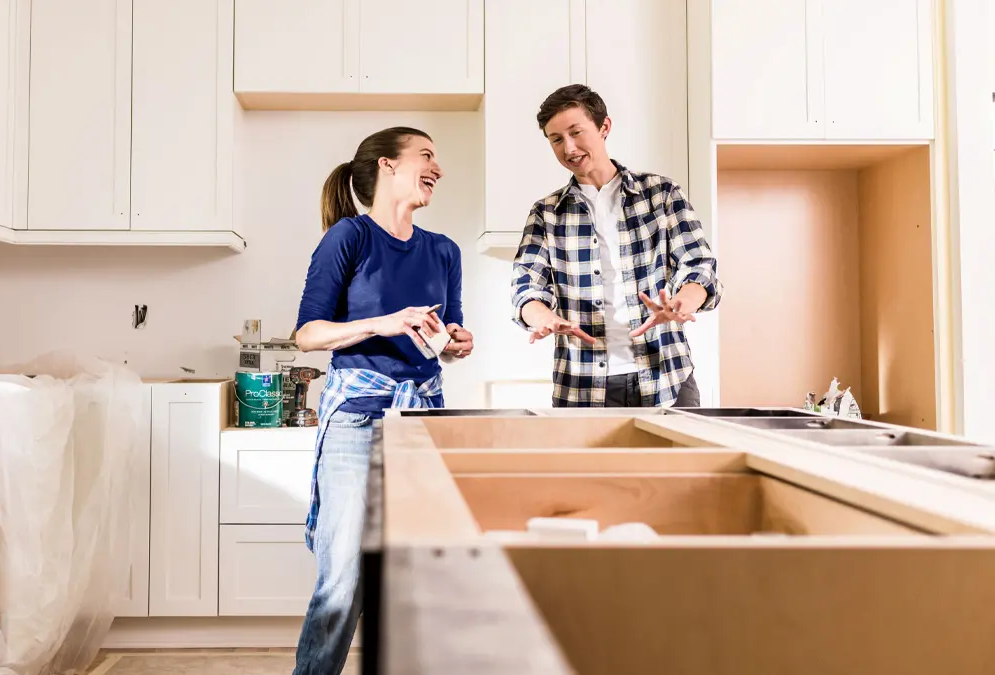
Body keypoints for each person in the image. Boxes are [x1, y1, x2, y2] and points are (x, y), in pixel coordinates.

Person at [291, 126, 474, 674]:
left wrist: (459, 342)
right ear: (388, 167)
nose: (437, 167)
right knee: (344, 575)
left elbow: (451, 332)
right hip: (358, 420)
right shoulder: (349, 237)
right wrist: (384, 323)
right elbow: (308, 334)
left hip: (422, 422)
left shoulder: (444, 251)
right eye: (426, 155)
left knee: (413, 574)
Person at [511, 84, 722, 408]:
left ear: (604, 127)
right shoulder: (546, 213)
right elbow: (526, 286)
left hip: (666, 377)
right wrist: (543, 318)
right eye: (556, 139)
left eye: (576, 132)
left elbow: (699, 266)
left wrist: (680, 304)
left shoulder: (661, 194)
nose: (569, 148)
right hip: (581, 388)